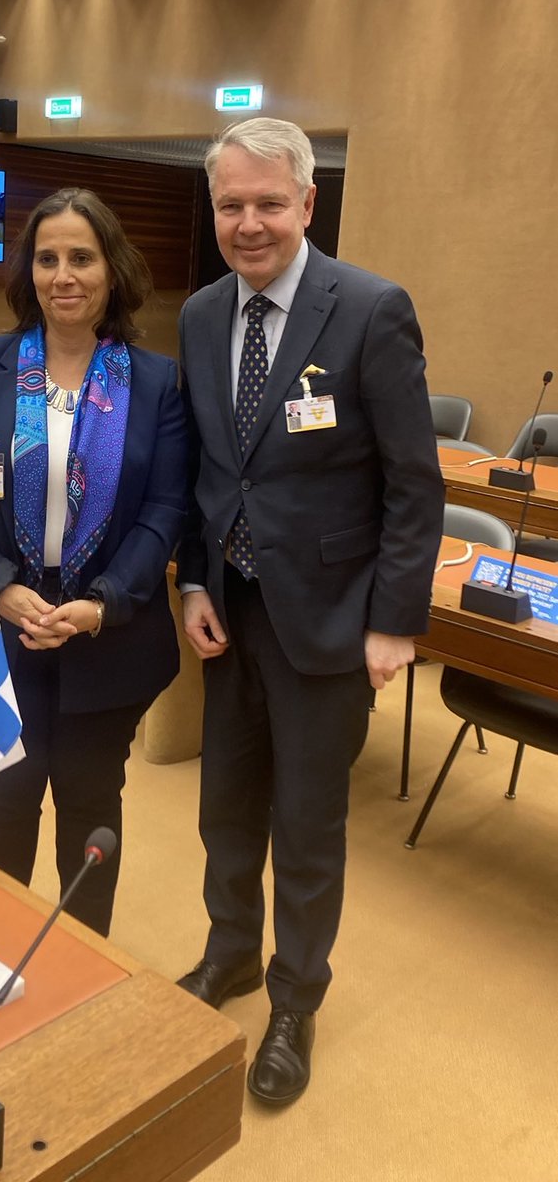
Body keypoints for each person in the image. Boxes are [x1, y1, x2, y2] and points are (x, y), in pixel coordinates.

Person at [175, 118, 444, 1105]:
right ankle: (231, 953)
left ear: (305, 205)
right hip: (230, 611)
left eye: (266, 204)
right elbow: (205, 467)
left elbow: (413, 485)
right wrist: (194, 581)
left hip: (330, 621)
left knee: (306, 821)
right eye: (230, 205)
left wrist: (392, 621)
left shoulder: (370, 309)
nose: (247, 224)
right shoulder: (201, 314)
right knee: (223, 807)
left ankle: (294, 1001)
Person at [0, 187, 187, 936]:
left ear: (112, 269)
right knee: (3, 801)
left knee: (89, 810)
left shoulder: (157, 382)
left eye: (81, 257)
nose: (62, 275)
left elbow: (165, 510)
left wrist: (104, 602)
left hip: (105, 629)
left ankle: (80, 971)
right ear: (27, 271)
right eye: (46, 259)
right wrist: (0, 586)